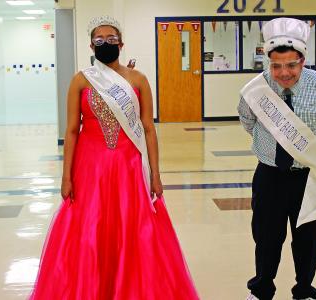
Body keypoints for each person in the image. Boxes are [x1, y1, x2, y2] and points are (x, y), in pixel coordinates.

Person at [30, 16, 199, 300]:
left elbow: (147, 128)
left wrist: (155, 174)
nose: (105, 44)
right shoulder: (80, 80)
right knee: (89, 231)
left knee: (133, 231)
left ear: (121, 44)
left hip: (130, 166)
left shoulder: (138, 80)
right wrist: (66, 176)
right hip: (90, 167)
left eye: (111, 40)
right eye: (99, 40)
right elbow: (72, 130)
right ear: (91, 46)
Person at [237, 18, 316, 300]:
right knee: (265, 237)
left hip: (310, 177)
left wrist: (306, 150)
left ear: (303, 60)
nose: (283, 73)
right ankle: (261, 290)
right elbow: (248, 122)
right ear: (267, 61)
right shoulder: (255, 90)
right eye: (276, 66)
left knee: (308, 239)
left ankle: (304, 291)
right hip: (269, 175)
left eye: (291, 65)